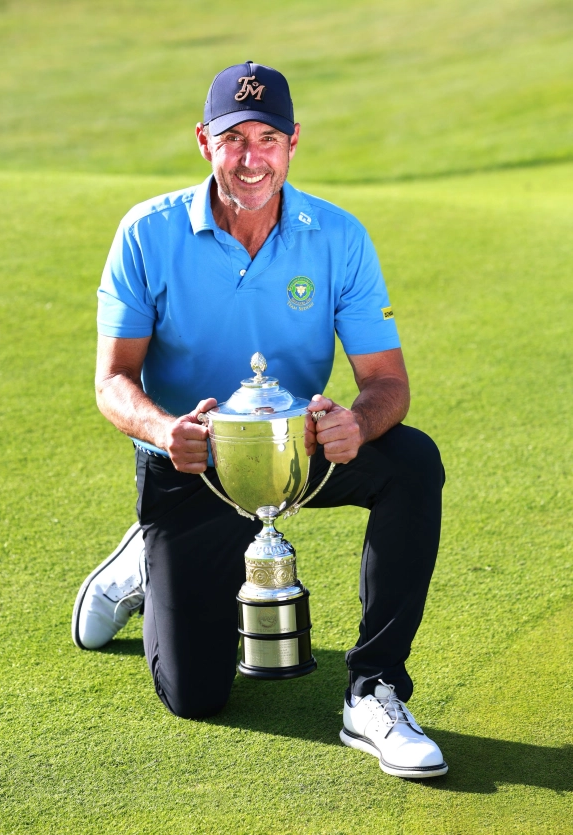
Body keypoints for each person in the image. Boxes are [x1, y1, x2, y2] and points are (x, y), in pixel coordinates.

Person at [72, 62, 447, 779]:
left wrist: (358, 424)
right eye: (234, 139)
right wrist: (165, 432)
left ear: (293, 142)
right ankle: (144, 559)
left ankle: (375, 691)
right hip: (191, 462)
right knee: (197, 696)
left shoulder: (338, 236)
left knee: (412, 460)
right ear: (204, 143)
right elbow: (113, 380)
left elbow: (387, 382)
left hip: (297, 452)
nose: (252, 159)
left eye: (268, 139)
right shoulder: (147, 233)